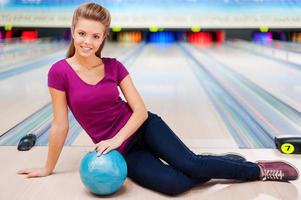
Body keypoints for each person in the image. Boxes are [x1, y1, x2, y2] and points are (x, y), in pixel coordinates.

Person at [18, 2, 299, 196]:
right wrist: (47, 168)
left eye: (95, 36)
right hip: (125, 152)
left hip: (144, 128)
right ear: (73, 31)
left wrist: (116, 138)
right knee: (175, 184)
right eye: (81, 34)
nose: (87, 42)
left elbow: (140, 111)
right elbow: (59, 125)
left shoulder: (114, 66)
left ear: (103, 38)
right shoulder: (59, 72)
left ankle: (257, 170)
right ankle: (220, 161)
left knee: (191, 165)